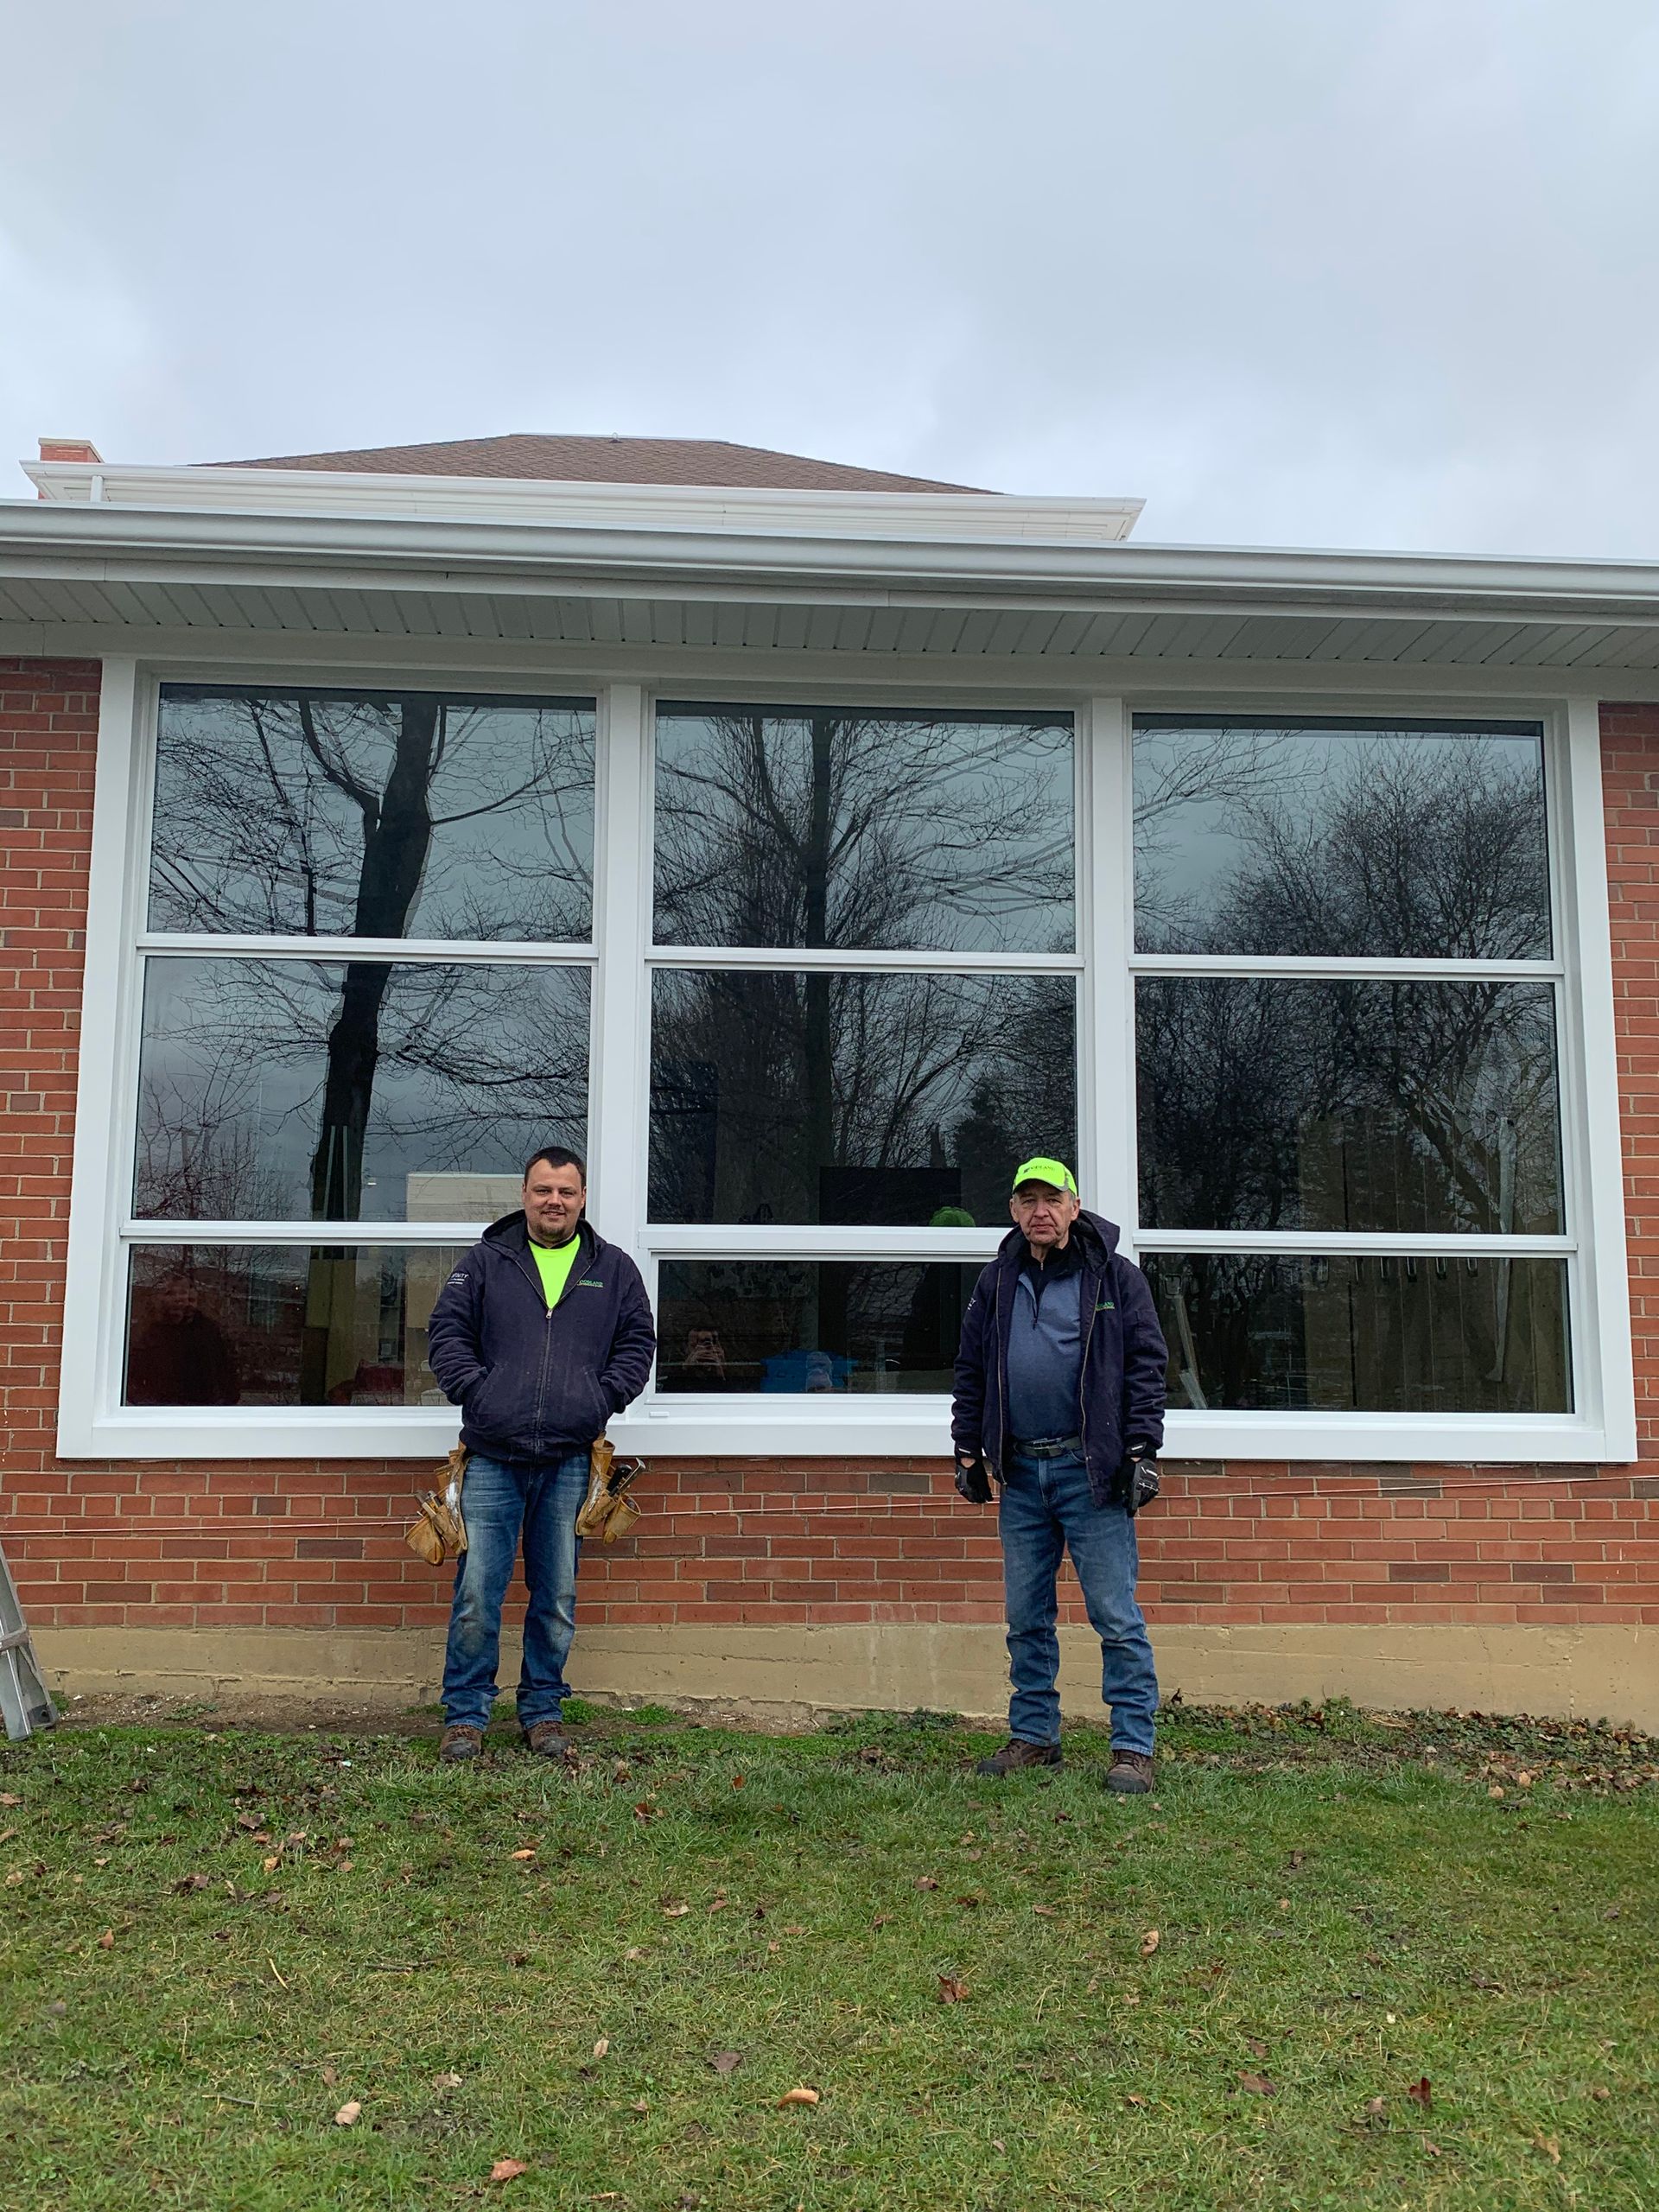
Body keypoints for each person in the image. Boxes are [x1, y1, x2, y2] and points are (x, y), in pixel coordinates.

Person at [426, 1146, 655, 1764]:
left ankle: (543, 1712)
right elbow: (446, 1333)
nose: (554, 1201)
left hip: (568, 1460)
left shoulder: (615, 1268)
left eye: (567, 1192)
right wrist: (481, 1391)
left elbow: (638, 1342)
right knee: (478, 1592)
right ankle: (466, 1716)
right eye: (543, 1190)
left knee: (556, 1596)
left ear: (582, 1199)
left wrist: (599, 1399)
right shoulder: (483, 1263)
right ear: (524, 1195)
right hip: (493, 1457)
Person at [951, 1158, 1168, 1794]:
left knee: (1114, 1615)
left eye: (1053, 1198)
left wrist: (1141, 1451)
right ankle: (1035, 1736)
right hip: (1019, 1472)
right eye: (1028, 1200)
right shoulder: (996, 1281)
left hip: (1090, 1469)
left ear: (1075, 1207)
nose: (1040, 1211)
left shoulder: (1115, 1278)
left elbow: (1146, 1367)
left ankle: (1132, 1746)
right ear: (1015, 1212)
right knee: (1026, 1616)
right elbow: (969, 1369)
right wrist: (968, 1451)